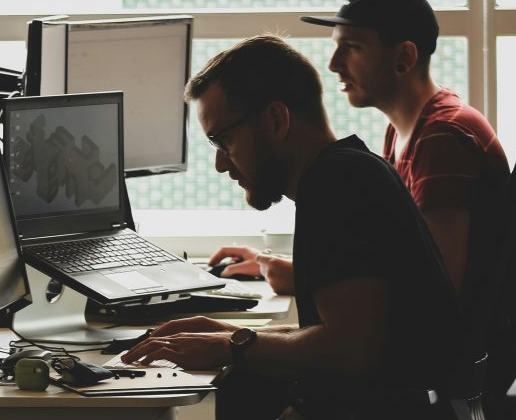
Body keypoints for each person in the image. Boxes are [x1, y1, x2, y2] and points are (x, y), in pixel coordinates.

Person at [123, 35, 464, 419]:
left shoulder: (338, 184)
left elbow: (350, 350)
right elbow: (341, 336)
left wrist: (232, 344)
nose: (221, 164)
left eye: (223, 140)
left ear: (275, 119)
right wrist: (224, 334)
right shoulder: (351, 169)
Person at [213, 0, 510, 298]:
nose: (334, 64)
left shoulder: (443, 136)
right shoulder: (404, 131)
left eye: (352, 47)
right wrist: (277, 264)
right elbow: (398, 261)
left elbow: (439, 282)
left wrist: (302, 276)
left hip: (466, 345)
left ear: (404, 56)